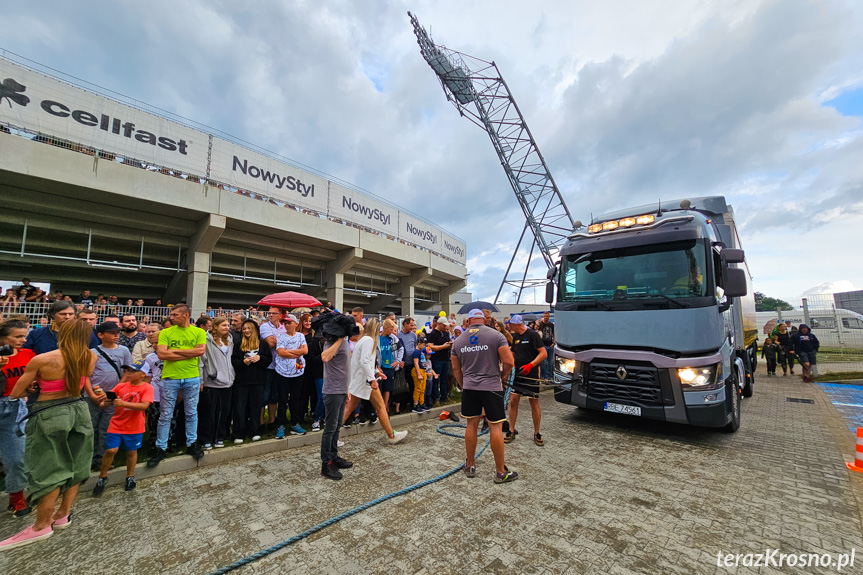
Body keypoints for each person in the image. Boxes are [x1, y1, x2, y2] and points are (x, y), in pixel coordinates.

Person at [0, 319, 99, 551]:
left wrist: (35, 385)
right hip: (79, 410)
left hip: (51, 413)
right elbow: (77, 381)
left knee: (50, 467)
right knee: (76, 462)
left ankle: (41, 525)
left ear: (61, 335)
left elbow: (16, 393)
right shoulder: (90, 357)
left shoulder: (43, 359)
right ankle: (63, 514)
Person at [450, 309, 517, 483]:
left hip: (470, 388)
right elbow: (509, 362)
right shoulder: (496, 336)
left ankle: (470, 465)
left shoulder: (458, 341)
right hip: (492, 386)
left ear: (468, 320)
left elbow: (456, 370)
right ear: (484, 320)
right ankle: (501, 472)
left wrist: (464, 385)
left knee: (471, 425)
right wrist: (503, 375)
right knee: (495, 427)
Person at [147, 304, 207, 467]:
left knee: (191, 412)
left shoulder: (199, 332)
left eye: (174, 315)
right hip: (170, 378)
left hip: (191, 377)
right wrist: (189, 352)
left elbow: (200, 352)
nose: (171, 317)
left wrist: (174, 353)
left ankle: (192, 443)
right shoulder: (166, 332)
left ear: (186, 315)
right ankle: (161, 447)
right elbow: (162, 354)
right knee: (165, 414)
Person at [92, 361, 154, 496]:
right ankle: (102, 477)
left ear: (143, 374)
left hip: (135, 426)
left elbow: (144, 406)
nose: (128, 374)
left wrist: (123, 403)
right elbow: (105, 405)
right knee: (111, 450)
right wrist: (105, 400)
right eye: (127, 371)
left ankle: (130, 477)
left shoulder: (147, 388)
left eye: (132, 371)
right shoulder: (120, 386)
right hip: (116, 425)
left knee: (131, 452)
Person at [344, 318, 408, 445]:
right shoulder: (369, 340)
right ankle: (391, 435)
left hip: (361, 379)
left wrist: (376, 372)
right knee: (380, 406)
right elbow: (364, 361)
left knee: (350, 407)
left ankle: (331, 436)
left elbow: (364, 361)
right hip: (365, 380)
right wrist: (372, 379)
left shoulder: (364, 340)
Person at [0, 320, 36, 518]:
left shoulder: (28, 355)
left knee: (16, 457)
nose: (22, 340)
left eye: (24, 336)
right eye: (17, 336)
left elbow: (31, 379)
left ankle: (16, 498)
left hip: (14, 406)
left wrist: (30, 387)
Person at [87, 321, 133, 469]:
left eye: (117, 333)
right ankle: (89, 457)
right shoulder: (92, 352)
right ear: (100, 335)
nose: (116, 336)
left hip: (114, 395)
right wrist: (92, 395)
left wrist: (116, 390)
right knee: (91, 427)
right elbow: (85, 376)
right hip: (94, 395)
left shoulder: (124, 350)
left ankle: (103, 458)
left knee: (107, 427)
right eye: (112, 333)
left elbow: (127, 372)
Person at [505, 315, 548, 446]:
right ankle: (511, 430)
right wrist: (509, 364)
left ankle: (537, 432)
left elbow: (543, 353)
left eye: (510, 324)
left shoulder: (532, 335)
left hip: (531, 374)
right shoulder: (515, 337)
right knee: (513, 401)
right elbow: (513, 352)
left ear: (516, 324)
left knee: (533, 402)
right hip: (517, 374)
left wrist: (530, 365)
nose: (508, 326)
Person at [320, 321, 353, 480]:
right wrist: (339, 339)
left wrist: (347, 389)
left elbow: (345, 366)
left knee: (337, 426)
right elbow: (325, 357)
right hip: (332, 391)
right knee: (330, 428)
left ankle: (333, 457)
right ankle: (326, 464)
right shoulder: (331, 342)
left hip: (341, 390)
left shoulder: (344, 342)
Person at [231, 320, 271, 443]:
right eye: (244, 329)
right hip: (242, 381)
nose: (247, 331)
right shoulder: (238, 344)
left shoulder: (262, 344)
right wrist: (243, 362)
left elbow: (268, 359)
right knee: (240, 407)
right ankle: (239, 432)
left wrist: (260, 358)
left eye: (249, 328)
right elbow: (233, 362)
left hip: (258, 380)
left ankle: (254, 430)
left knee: (255, 407)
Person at [198, 318, 235, 449]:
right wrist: (201, 381)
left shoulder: (230, 340)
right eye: (223, 325)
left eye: (228, 325)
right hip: (212, 381)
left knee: (223, 411)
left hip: (227, 381)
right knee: (209, 412)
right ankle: (206, 438)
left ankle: (220, 436)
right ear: (215, 326)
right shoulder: (207, 340)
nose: (226, 327)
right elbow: (201, 361)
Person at [273, 314, 308, 438]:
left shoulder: (300, 336)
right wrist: (296, 353)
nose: (287, 325)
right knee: (282, 400)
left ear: (295, 323)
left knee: (295, 399)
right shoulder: (281, 337)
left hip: (298, 372)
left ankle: (295, 423)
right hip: (282, 372)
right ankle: (281, 425)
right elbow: (281, 352)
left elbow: (305, 351)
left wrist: (289, 352)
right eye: (285, 323)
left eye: (289, 323)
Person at [24, 300, 99, 354]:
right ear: (53, 315)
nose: (67, 317)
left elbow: (93, 355)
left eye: (70, 314)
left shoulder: (86, 333)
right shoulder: (36, 334)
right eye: (62, 314)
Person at [259, 307, 286, 429]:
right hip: (268, 365)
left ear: (280, 315)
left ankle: (271, 420)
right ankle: (259, 422)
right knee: (264, 395)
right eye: (269, 313)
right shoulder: (265, 327)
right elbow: (270, 343)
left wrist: (280, 341)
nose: (270, 315)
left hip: (280, 365)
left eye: (274, 313)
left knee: (275, 395)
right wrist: (285, 341)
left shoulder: (283, 326)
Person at [299, 313, 325, 432]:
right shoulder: (299, 335)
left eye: (310, 321)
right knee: (304, 393)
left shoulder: (315, 337)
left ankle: (316, 413)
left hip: (317, 370)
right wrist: (323, 358)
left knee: (317, 394)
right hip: (304, 367)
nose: (308, 323)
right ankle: (304, 414)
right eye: (306, 321)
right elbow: (310, 356)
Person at [426, 316, 453, 406]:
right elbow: (430, 346)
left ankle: (444, 396)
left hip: (445, 358)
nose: (446, 327)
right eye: (444, 325)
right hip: (436, 359)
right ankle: (436, 398)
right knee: (436, 379)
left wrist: (449, 345)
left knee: (444, 379)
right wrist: (443, 347)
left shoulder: (445, 333)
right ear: (439, 324)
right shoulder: (433, 334)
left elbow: (446, 343)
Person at [378, 319, 401, 415]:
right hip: (381, 366)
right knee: (380, 388)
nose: (392, 332)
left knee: (388, 388)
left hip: (390, 366)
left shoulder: (392, 339)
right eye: (391, 329)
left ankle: (385, 407)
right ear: (385, 328)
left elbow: (400, 348)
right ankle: (378, 408)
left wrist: (397, 361)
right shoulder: (378, 338)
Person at [394, 317, 417, 413]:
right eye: (411, 325)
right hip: (402, 364)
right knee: (402, 385)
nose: (412, 327)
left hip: (412, 363)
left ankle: (412, 403)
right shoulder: (398, 335)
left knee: (412, 383)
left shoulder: (413, 335)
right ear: (405, 324)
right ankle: (402, 404)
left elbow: (415, 345)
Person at [537, 312, 555, 381]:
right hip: (543, 346)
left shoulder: (551, 325)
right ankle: (545, 376)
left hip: (550, 345)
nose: (546, 317)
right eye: (544, 316)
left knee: (550, 362)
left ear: (549, 317)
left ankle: (550, 376)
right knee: (544, 362)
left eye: (547, 316)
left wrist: (554, 342)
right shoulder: (541, 325)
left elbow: (554, 334)